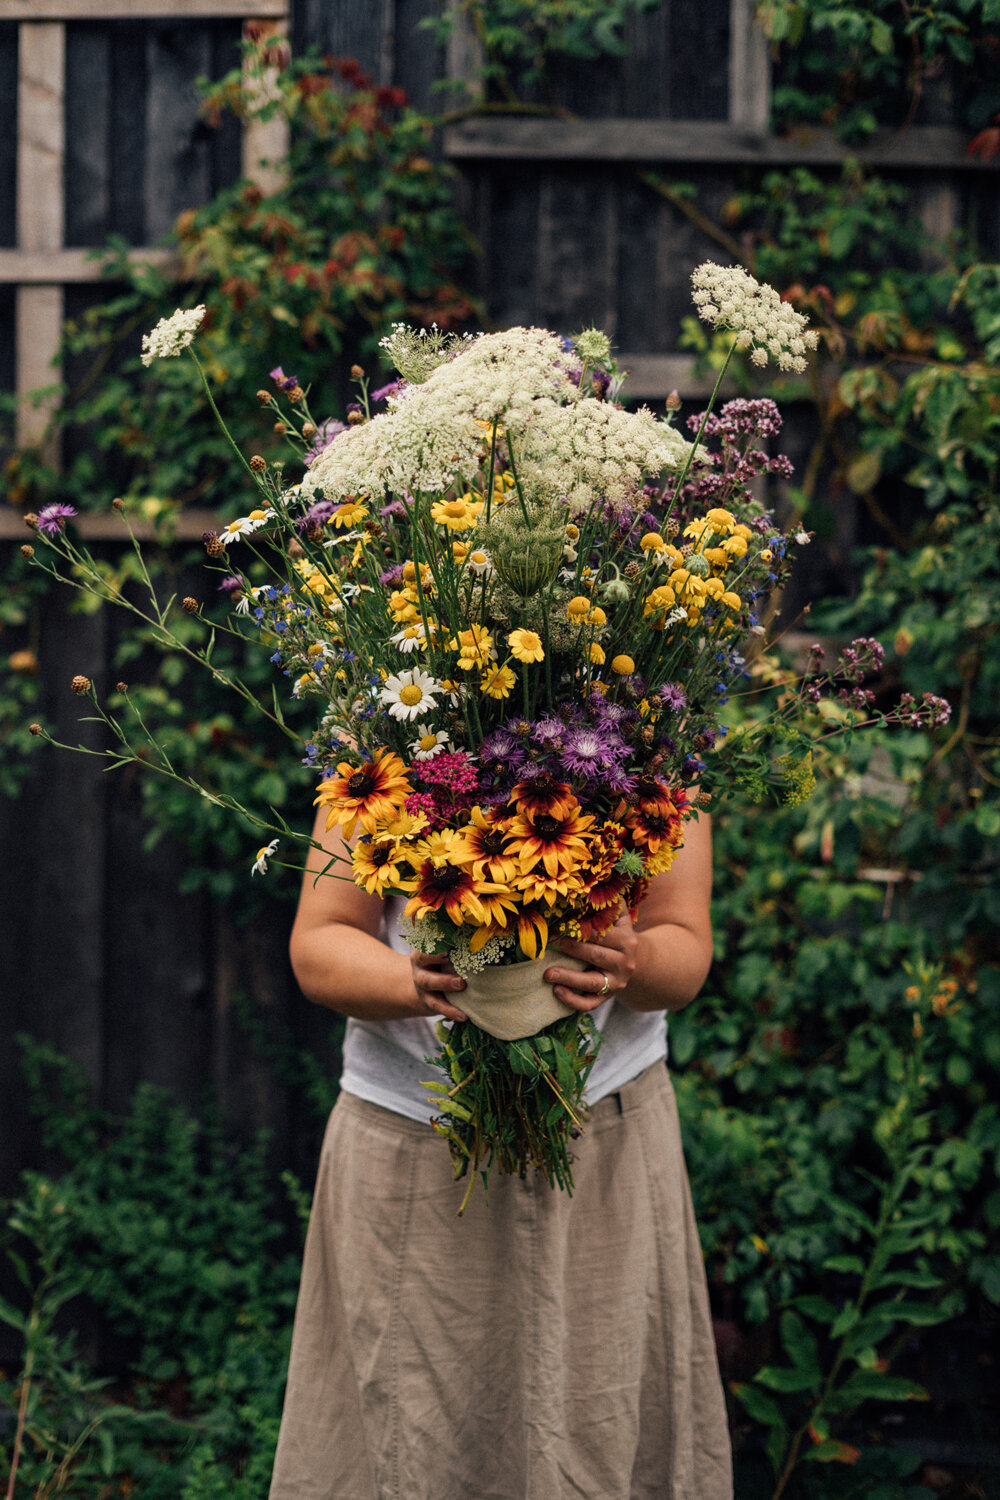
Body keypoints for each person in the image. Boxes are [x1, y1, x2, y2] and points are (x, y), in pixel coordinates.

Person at [268, 799, 733, 1500]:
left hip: (603, 1147)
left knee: (600, 1437)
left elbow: (686, 951)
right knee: (411, 1447)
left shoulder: (659, 736)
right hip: (415, 1152)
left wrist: (631, 959)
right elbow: (319, 944)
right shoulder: (375, 726)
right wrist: (417, 982)